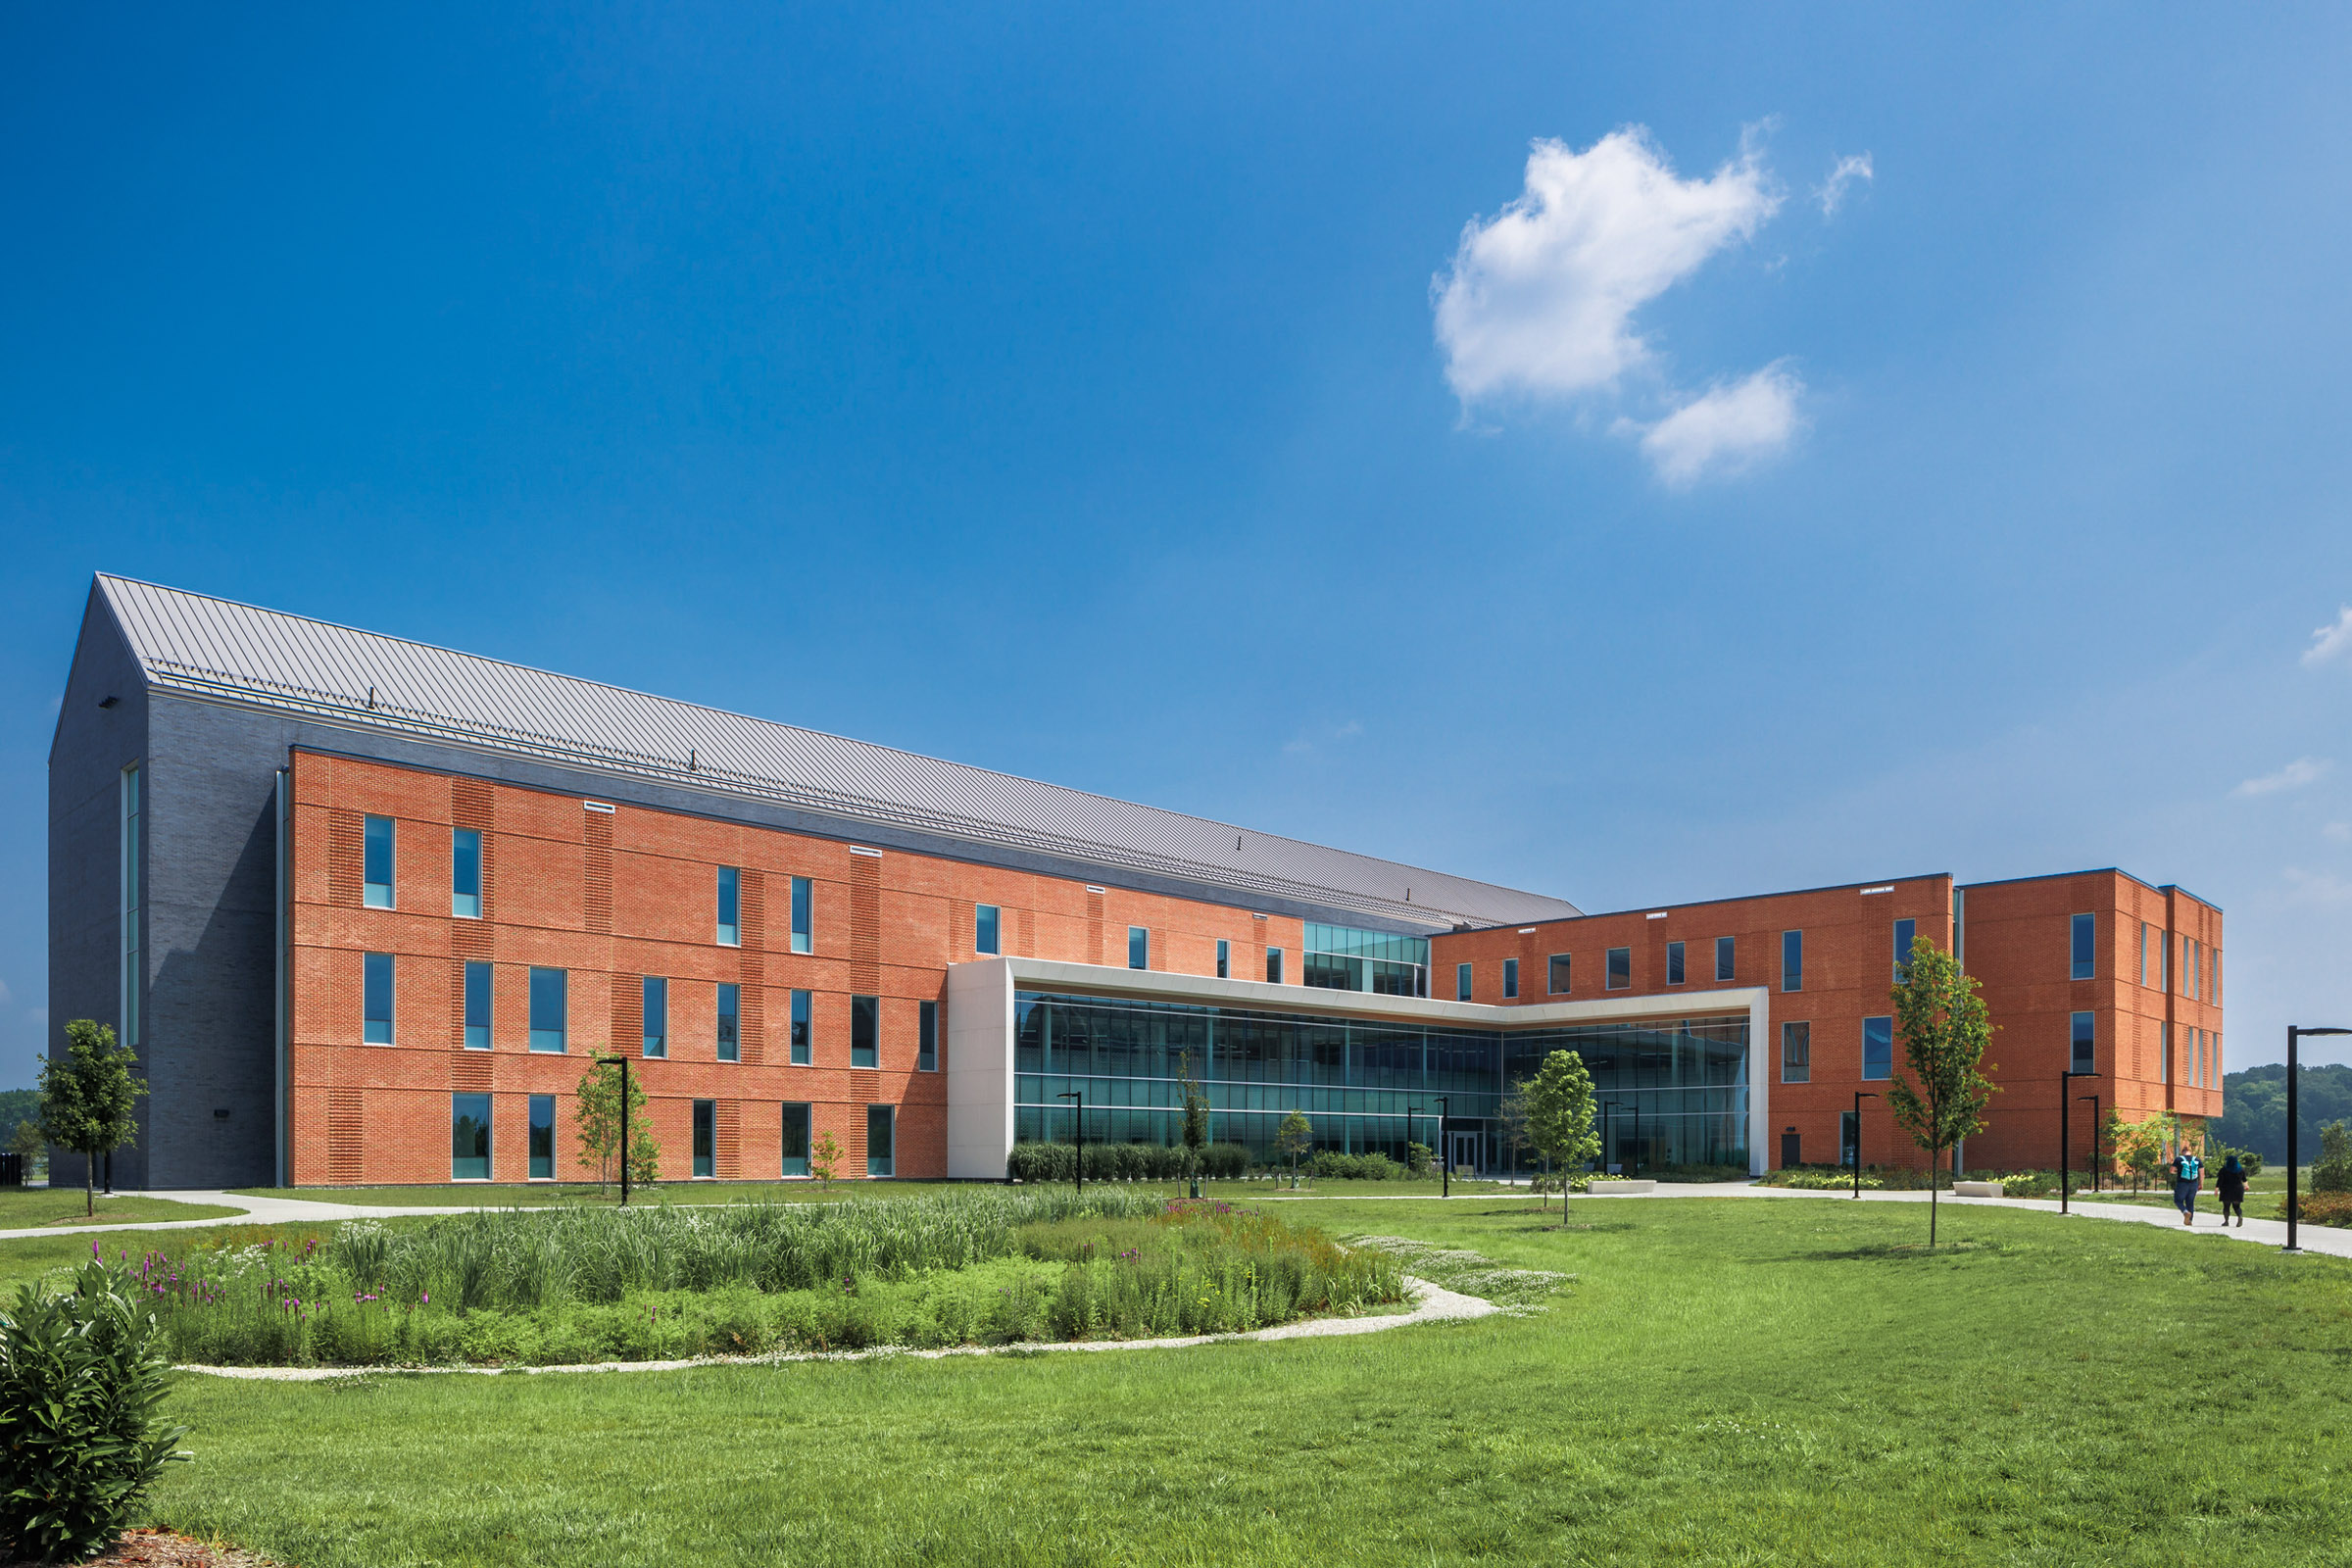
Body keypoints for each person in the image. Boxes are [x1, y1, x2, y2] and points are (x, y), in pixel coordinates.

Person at [2172, 1145, 2205, 1226]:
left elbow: (2172, 1170)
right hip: (2194, 1183)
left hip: (2182, 1183)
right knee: (2190, 1202)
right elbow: (2202, 1173)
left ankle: (2185, 1212)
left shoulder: (2179, 1159)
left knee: (2178, 1200)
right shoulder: (2197, 1160)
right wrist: (2201, 1184)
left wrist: (2177, 1171)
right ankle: (2189, 1220)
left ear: (2183, 1152)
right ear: (2190, 1152)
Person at [2217, 1153, 2247, 1228]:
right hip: (2238, 1190)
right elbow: (2244, 1179)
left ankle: (2226, 1222)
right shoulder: (2241, 1170)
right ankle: (2240, 1216)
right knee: (2237, 1206)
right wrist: (2246, 1185)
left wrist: (2216, 1188)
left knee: (2226, 1206)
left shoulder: (2224, 1169)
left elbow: (2220, 1180)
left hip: (2226, 1190)